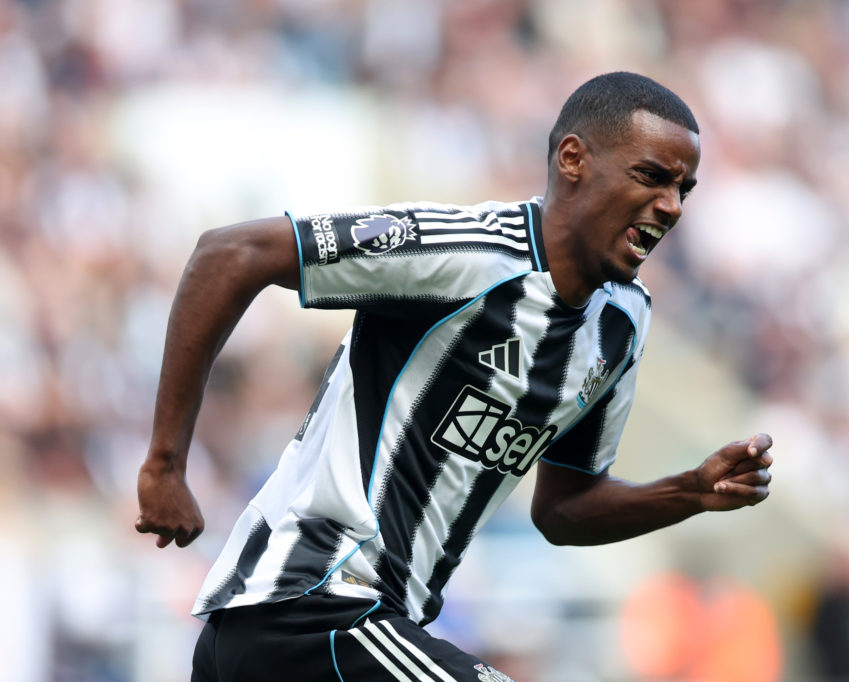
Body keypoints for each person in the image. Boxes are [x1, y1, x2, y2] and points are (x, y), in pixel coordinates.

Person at [135, 71, 774, 681]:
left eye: (683, 190)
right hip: (310, 607)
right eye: (652, 177)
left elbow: (564, 507)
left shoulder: (620, 327)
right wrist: (165, 463)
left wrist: (687, 492)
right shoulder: (462, 250)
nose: (671, 206)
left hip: (363, 631)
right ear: (573, 160)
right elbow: (229, 253)